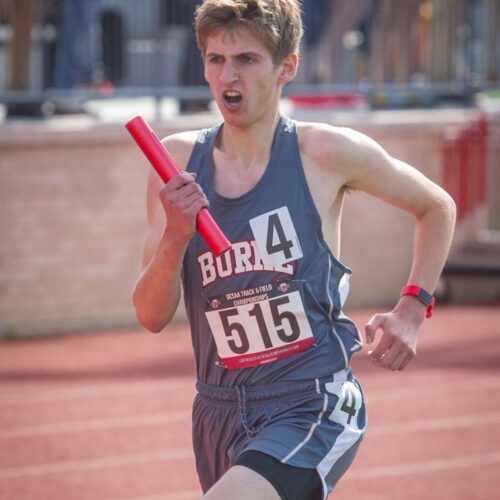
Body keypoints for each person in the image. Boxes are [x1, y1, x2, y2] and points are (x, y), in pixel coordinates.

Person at [132, 1, 456, 498]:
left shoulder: (323, 153)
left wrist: (412, 308)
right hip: (216, 407)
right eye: (216, 59)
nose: (228, 75)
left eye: (246, 59)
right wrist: (177, 234)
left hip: (311, 401)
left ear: (287, 67)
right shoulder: (177, 164)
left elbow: (436, 207)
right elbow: (151, 316)